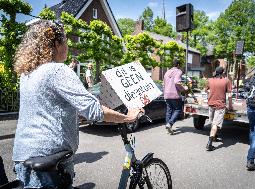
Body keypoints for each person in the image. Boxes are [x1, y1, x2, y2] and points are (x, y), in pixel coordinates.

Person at [12, 20, 142, 188]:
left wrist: (74, 114)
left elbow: (46, 108)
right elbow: (94, 111)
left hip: (23, 157)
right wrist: (128, 117)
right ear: (57, 44)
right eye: (66, 40)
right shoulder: (57, 70)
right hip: (49, 161)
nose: (67, 45)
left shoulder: (28, 73)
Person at [206, 66, 233, 151]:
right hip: (220, 105)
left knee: (212, 122)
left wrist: (210, 95)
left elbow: (206, 90)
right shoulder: (226, 81)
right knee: (215, 124)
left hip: (210, 104)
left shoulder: (209, 80)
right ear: (223, 72)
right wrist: (230, 105)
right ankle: (209, 144)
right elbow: (229, 94)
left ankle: (214, 137)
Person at [163, 59, 188, 135]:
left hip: (167, 94)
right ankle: (170, 124)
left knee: (169, 111)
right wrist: (184, 88)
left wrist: (164, 94)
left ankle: (168, 128)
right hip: (175, 95)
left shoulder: (167, 72)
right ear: (178, 65)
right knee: (178, 110)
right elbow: (177, 82)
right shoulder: (178, 71)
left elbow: (163, 84)